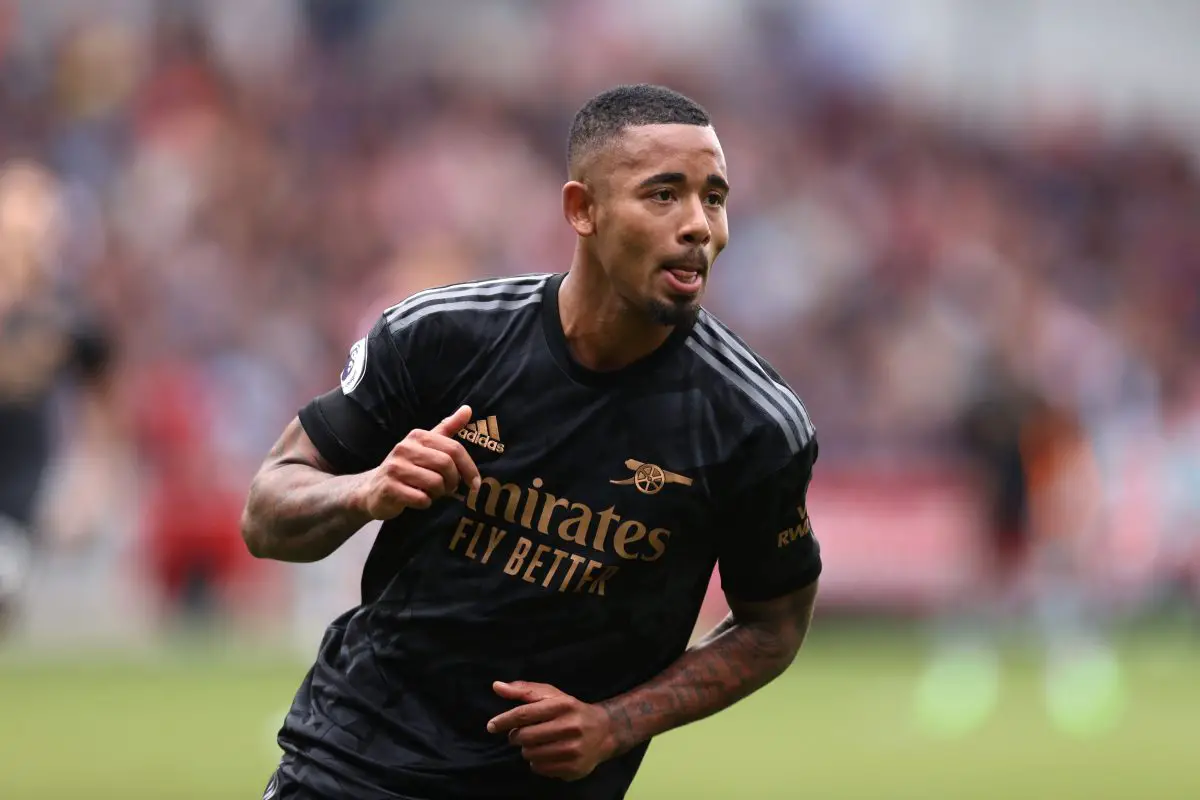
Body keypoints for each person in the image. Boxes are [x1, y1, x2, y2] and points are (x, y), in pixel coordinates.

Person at [242, 84, 822, 800]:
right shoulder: (441, 337)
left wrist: (615, 723)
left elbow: (774, 627)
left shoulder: (755, 423)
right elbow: (267, 512)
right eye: (664, 195)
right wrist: (366, 490)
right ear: (582, 209)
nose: (700, 226)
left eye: (715, 196)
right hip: (354, 764)